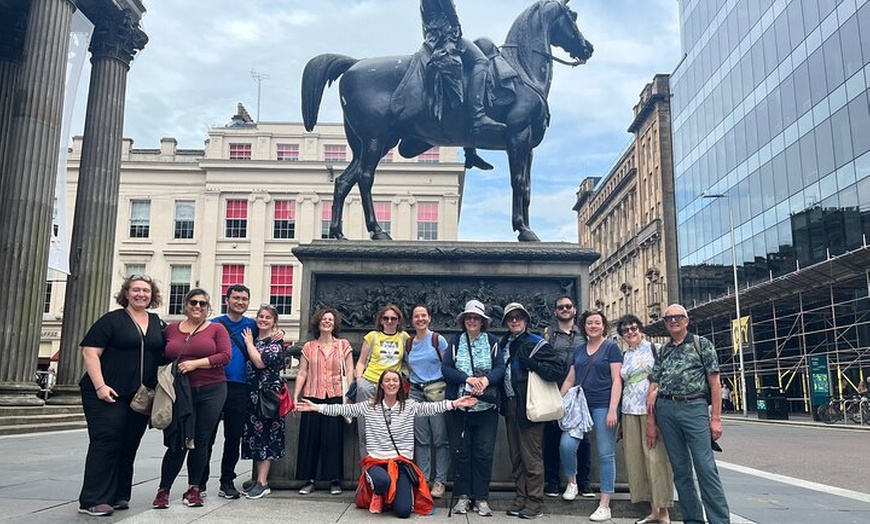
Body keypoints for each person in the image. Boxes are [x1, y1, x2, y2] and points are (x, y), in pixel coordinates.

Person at [297, 370, 478, 518]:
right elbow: (343, 409)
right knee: (382, 481)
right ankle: (376, 493)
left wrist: (455, 403)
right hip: (377, 462)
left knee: (403, 511)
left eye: (395, 380)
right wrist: (316, 407)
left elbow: (431, 407)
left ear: (400, 385)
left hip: (401, 463)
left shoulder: (409, 406)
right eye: (387, 380)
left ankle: (391, 496)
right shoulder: (368, 406)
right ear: (381, 385)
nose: (391, 383)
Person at [77, 275, 165, 516]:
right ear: (126, 293)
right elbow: (90, 353)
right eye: (136, 290)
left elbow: (168, 351)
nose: (141, 294)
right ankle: (93, 499)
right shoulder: (111, 320)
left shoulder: (157, 322)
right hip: (108, 394)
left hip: (140, 397)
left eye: (146, 291)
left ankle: (118, 495)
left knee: (129, 445)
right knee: (107, 442)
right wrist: (100, 386)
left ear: (152, 295)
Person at [647, 304, 730, 524]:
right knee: (680, 470)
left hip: (694, 408)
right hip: (666, 410)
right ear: (665, 324)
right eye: (669, 319)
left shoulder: (701, 344)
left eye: (678, 317)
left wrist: (716, 419)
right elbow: (654, 384)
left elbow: (715, 384)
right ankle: (693, 520)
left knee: (705, 468)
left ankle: (719, 520)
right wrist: (651, 420)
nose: (673, 321)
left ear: (687, 320)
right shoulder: (663, 350)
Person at [152, 289, 232, 509]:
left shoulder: (217, 329)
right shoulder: (170, 329)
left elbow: (225, 356)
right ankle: (163, 490)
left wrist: (195, 364)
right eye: (194, 303)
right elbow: (158, 354)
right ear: (185, 305)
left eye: (203, 304)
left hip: (212, 388)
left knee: (201, 440)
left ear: (208, 308)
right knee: (177, 440)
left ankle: (194, 489)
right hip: (180, 389)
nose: (198, 307)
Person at [201, 284, 283, 499]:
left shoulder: (252, 325)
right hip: (215, 384)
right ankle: (199, 482)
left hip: (241, 387)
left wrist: (279, 332)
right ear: (227, 299)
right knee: (207, 436)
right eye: (236, 298)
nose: (240, 302)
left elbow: (269, 332)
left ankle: (227, 481)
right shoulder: (214, 324)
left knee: (233, 436)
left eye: (244, 299)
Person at [500, 302, 566, 520]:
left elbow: (558, 369)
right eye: (511, 318)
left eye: (518, 317)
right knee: (516, 455)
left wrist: (535, 365)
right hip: (510, 404)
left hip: (530, 405)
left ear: (526, 321)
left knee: (531, 456)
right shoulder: (504, 344)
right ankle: (521, 497)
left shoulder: (537, 343)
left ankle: (535, 502)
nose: (515, 321)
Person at [442, 299, 505, 517]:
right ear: (464, 320)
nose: (472, 321)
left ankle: (481, 497)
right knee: (461, 452)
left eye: (476, 318)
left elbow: (500, 368)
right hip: (460, 406)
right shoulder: (456, 341)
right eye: (468, 317)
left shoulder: (493, 341)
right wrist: (466, 378)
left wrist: (486, 381)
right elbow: (446, 369)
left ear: (482, 321)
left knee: (483, 452)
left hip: (486, 407)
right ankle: (462, 496)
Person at [559, 309, 623, 522]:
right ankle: (572, 482)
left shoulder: (611, 348)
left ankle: (605, 503)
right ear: (584, 327)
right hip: (580, 407)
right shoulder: (579, 350)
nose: (593, 326)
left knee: (605, 453)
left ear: (604, 325)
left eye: (597, 322)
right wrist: (559, 402)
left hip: (604, 405)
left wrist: (613, 408)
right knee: (566, 446)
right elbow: (570, 379)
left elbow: (617, 380)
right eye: (589, 323)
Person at [616, 314, 673, 524]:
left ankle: (664, 511)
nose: (630, 332)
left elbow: (662, 378)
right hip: (629, 410)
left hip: (651, 411)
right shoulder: (625, 355)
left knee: (656, 459)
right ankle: (653, 509)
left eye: (633, 328)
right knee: (637, 460)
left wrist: (653, 398)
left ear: (640, 329)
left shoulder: (654, 349)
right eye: (625, 330)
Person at [418, 0, 505, 135]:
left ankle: (470, 151)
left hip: (436, 36)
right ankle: (478, 115)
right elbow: (448, 10)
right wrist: (455, 26)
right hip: (445, 37)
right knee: (481, 61)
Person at [294, 307, 354, 496]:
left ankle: (334, 480)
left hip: (335, 395)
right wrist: (296, 396)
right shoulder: (309, 347)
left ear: (335, 323)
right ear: (318, 323)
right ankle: (308, 479)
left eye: (330, 319)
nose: (327, 322)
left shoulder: (343, 345)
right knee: (309, 439)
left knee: (333, 439)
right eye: (324, 319)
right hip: (312, 395)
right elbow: (303, 372)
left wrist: (349, 393)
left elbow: (350, 371)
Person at [542, 295, 592, 499]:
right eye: (560, 307)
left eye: (568, 306)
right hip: (554, 389)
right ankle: (553, 482)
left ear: (574, 309)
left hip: (579, 391)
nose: (564, 309)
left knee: (583, 439)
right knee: (552, 437)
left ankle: (584, 482)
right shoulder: (548, 333)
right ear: (555, 312)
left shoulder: (584, 333)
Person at [240, 304, 286, 500]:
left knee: (266, 437)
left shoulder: (274, 343)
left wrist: (249, 343)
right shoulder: (255, 338)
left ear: (274, 322)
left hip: (267, 397)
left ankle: (263, 482)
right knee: (256, 438)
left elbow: (260, 363)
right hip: (251, 396)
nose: (264, 320)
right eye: (261, 316)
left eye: (268, 317)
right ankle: (258, 481)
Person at [406, 304, 450, 499]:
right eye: (417, 316)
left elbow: (448, 365)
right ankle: (423, 479)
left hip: (436, 391)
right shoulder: (408, 343)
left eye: (424, 315)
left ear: (429, 318)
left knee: (440, 439)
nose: (420, 319)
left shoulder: (437, 339)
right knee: (421, 439)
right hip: (416, 393)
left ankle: (440, 481)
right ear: (412, 320)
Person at [355, 304, 410, 456]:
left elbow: (410, 361)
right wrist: (360, 381)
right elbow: (361, 361)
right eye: (386, 318)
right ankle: (367, 473)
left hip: (391, 388)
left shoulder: (404, 337)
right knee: (366, 431)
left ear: (399, 320)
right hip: (369, 384)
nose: (390, 321)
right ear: (380, 320)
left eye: (393, 318)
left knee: (389, 431)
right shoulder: (372, 336)